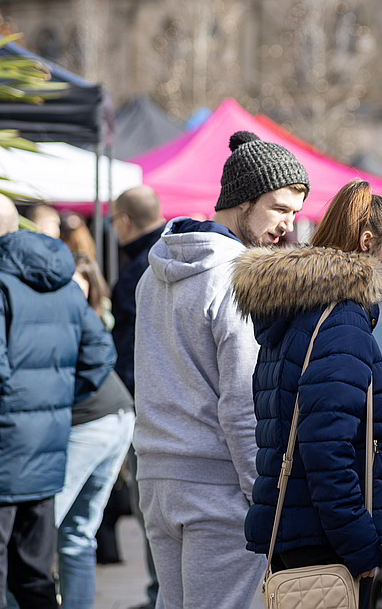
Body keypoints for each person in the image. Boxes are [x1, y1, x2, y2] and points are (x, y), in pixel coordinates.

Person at [133, 130, 308, 609]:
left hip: (156, 475)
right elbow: (245, 401)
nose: (287, 226)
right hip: (217, 483)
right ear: (243, 199)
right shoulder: (240, 276)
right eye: (278, 209)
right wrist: (264, 497)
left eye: (294, 213)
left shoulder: (155, 269)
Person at [0, 192, 115, 609]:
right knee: (34, 580)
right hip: (41, 454)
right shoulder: (60, 281)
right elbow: (101, 353)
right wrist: (50, 405)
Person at [237, 180, 382, 607]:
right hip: (324, 545)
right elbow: (326, 449)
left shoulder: (302, 311)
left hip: (300, 537)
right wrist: (362, 545)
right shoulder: (341, 321)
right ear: (368, 243)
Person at [54, 253, 134, 609]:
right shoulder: (87, 314)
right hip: (114, 417)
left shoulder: (76, 318)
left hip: (95, 422)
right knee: (76, 533)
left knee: (39, 532)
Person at [104, 184, 164, 605]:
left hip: (145, 404)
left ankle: (158, 593)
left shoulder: (138, 270)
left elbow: (130, 347)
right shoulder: (169, 252)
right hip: (169, 401)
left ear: (124, 221)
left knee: (154, 512)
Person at [111, 185, 164, 392]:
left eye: (113, 220)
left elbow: (132, 340)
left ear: (124, 221)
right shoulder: (176, 248)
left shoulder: (138, 270)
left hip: (142, 388)